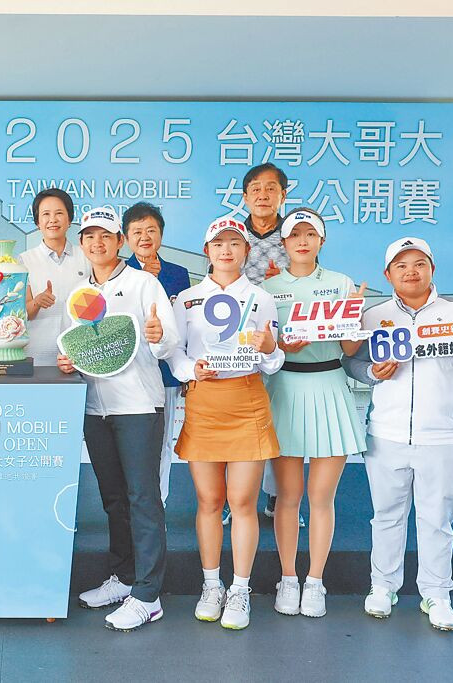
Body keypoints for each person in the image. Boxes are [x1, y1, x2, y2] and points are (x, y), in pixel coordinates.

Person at [344, 237, 453, 632]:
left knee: (437, 519)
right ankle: (382, 586)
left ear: (432, 270)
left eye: (419, 264)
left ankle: (437, 593)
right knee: (386, 516)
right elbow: (351, 362)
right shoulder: (374, 316)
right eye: (401, 266)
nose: (411, 272)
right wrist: (371, 373)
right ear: (388, 274)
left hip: (442, 437)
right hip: (385, 434)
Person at [57, 207, 178, 632]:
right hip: (96, 408)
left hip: (139, 406)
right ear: (82, 243)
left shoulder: (144, 283)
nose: (97, 243)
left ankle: (148, 595)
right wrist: (67, 362)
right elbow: (73, 345)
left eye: (105, 236)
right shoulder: (78, 293)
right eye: (90, 236)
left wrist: (160, 338)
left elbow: (170, 343)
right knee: (114, 499)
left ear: (119, 242)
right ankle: (124, 577)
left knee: (143, 498)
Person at [167, 217, 284, 630]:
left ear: (246, 250)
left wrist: (269, 347)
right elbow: (175, 354)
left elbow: (273, 361)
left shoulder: (261, 298)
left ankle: (240, 589)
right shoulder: (187, 299)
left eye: (235, 243)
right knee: (209, 501)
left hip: (246, 400)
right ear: (207, 251)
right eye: (218, 243)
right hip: (204, 401)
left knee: (242, 502)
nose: (226, 250)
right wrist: (192, 370)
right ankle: (211, 585)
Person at [261, 208, 368, 618]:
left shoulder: (341, 284)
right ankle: (288, 578)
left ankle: (316, 581)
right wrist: (279, 347)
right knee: (287, 498)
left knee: (322, 498)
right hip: (284, 388)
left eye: (310, 234)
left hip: (329, 387)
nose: (302, 241)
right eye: (295, 235)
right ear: (284, 242)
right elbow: (262, 346)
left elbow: (349, 349)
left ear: (322, 241)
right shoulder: (267, 288)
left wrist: (353, 318)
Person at [121, 202, 191, 504]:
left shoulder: (178, 274)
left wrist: (185, 372)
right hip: (129, 373)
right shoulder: (118, 272)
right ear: (125, 238)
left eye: (151, 230)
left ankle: (158, 505)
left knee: (162, 444)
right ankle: (131, 507)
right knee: (131, 446)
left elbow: (185, 326)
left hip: (166, 372)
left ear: (161, 235)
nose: (144, 237)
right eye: (137, 231)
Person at [239, 163, 297, 524]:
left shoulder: (294, 235)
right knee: (242, 421)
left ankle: (279, 497)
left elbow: (306, 280)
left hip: (282, 340)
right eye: (256, 189)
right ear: (245, 196)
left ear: (283, 195)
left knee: (280, 419)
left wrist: (284, 279)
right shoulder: (230, 233)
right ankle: (236, 497)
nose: (263, 195)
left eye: (271, 188)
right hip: (237, 343)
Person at [19, 188, 89, 366]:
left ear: (69, 219)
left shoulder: (86, 256)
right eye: (46, 214)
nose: (53, 219)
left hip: (79, 354)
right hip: (37, 356)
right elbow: (20, 314)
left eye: (59, 213)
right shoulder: (24, 260)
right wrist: (37, 302)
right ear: (37, 222)